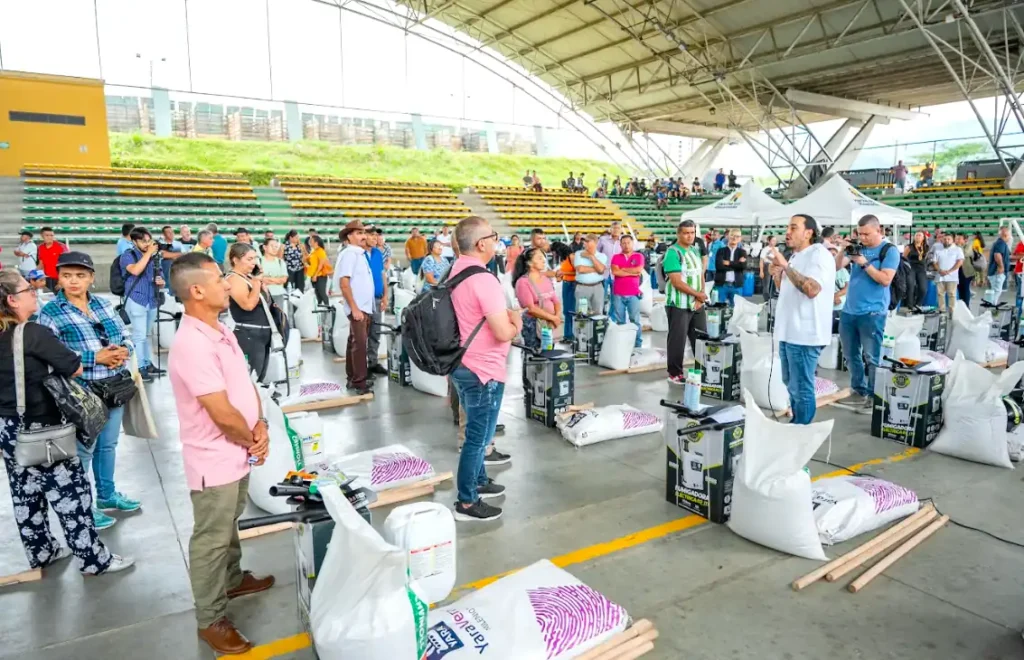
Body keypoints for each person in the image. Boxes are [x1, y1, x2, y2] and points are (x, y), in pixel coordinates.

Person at [168, 252, 275, 654]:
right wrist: (252, 438)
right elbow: (220, 411)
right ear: (196, 290)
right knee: (211, 538)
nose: (227, 284)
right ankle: (210, 619)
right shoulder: (192, 344)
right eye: (218, 280)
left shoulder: (220, 330)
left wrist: (259, 423)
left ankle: (232, 579)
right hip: (213, 458)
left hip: (237, 450)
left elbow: (244, 386)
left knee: (229, 521)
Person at [0, 269, 135, 576]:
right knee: (72, 494)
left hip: (8, 427)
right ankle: (93, 560)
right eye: (27, 290)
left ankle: (42, 551)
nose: (33, 293)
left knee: (25, 492)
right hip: (42, 427)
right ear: (12, 300)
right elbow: (73, 366)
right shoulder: (32, 333)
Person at [38, 251, 143, 528]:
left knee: (108, 445)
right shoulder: (50, 312)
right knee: (85, 450)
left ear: (91, 278)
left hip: (113, 387)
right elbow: (49, 354)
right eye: (67, 276)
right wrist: (95, 358)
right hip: (81, 392)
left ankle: (107, 496)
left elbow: (125, 335)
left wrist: (122, 351)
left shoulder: (104, 304)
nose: (74, 281)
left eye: (80, 275)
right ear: (59, 279)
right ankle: (83, 507)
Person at [449, 216, 520, 522]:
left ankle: (478, 480)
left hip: (462, 363)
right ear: (481, 244)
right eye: (493, 236)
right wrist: (516, 322)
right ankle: (467, 501)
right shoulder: (484, 279)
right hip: (483, 369)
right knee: (479, 437)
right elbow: (503, 332)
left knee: (476, 433)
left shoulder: (456, 270)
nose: (496, 241)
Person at [768, 215, 835, 424]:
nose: (787, 232)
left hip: (805, 334)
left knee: (801, 387)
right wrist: (777, 273)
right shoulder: (796, 256)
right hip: (789, 331)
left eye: (793, 228)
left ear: (808, 233)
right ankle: (798, 422)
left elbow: (811, 289)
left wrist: (785, 266)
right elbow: (786, 289)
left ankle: (802, 429)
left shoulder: (819, 255)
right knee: (790, 382)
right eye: (787, 227)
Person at [833, 215, 901, 413]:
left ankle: (873, 395)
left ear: (879, 231)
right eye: (860, 234)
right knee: (850, 354)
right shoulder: (858, 247)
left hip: (873, 312)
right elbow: (836, 266)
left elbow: (885, 279)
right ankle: (858, 388)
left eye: (867, 234)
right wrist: (844, 250)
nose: (862, 238)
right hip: (849, 310)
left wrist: (863, 262)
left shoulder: (889, 251)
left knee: (872, 357)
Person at [664, 220, 709, 385]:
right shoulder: (673, 253)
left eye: (692, 233)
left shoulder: (695, 251)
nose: (690, 236)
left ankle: (702, 371)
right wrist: (698, 295)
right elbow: (677, 282)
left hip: (696, 303)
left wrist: (700, 296)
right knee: (678, 340)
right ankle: (674, 373)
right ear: (679, 234)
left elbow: (700, 274)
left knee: (701, 338)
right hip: (679, 304)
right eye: (686, 233)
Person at [335, 220, 375, 395]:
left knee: (354, 342)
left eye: (363, 233)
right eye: (359, 233)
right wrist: (355, 308)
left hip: (364, 306)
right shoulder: (350, 254)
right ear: (349, 236)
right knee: (359, 344)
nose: (363, 236)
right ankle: (360, 382)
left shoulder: (359, 254)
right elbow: (344, 283)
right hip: (358, 307)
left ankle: (352, 378)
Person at [119, 227, 164, 378]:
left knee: (148, 335)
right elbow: (136, 270)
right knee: (139, 335)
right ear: (134, 241)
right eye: (143, 241)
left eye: (149, 241)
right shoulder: (128, 255)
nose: (147, 244)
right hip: (136, 298)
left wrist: (160, 282)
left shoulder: (154, 257)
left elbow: (160, 276)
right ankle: (139, 367)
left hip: (152, 299)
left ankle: (148, 362)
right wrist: (148, 253)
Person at [226, 243, 274, 383]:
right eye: (249, 259)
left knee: (260, 376)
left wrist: (259, 282)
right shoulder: (234, 279)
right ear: (236, 260)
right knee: (252, 376)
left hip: (262, 332)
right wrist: (257, 282)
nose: (254, 262)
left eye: (255, 258)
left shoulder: (249, 277)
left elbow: (266, 300)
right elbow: (248, 305)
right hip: (249, 333)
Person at [514, 247, 563, 355]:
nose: (544, 261)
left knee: (549, 353)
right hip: (533, 324)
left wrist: (557, 316)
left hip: (549, 324)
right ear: (529, 263)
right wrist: (553, 318)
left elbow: (555, 300)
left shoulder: (546, 279)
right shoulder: (523, 282)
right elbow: (531, 308)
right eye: (539, 258)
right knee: (535, 355)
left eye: (544, 258)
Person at [610, 234, 646, 348]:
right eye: (624, 243)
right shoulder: (616, 257)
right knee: (620, 321)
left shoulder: (639, 256)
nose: (626, 245)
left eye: (628, 243)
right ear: (620, 244)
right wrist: (632, 272)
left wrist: (623, 269)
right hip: (618, 293)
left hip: (633, 293)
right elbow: (615, 272)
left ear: (632, 243)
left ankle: (637, 344)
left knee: (635, 320)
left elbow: (638, 270)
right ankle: (623, 344)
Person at [365, 229, 389, 377]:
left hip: (377, 298)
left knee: (375, 332)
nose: (375, 238)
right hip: (364, 300)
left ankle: (372, 363)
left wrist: (386, 295)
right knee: (362, 334)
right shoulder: (359, 254)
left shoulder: (377, 253)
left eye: (376, 235)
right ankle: (362, 367)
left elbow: (382, 275)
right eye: (372, 235)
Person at [574, 234, 609, 314]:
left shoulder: (602, 256)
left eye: (587, 241)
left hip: (598, 287)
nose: (584, 243)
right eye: (584, 241)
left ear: (595, 243)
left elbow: (601, 270)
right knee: (582, 314)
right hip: (582, 287)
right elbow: (581, 269)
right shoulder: (578, 253)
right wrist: (597, 269)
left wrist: (591, 257)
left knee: (598, 314)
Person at [713, 229, 746, 306]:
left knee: (736, 309)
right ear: (728, 236)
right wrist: (737, 264)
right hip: (722, 285)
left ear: (740, 238)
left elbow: (743, 266)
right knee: (719, 308)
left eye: (737, 236)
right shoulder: (721, 251)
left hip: (736, 286)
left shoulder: (742, 252)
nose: (734, 238)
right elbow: (719, 266)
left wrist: (728, 263)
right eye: (732, 235)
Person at [932, 233, 963, 312]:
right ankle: (941, 310)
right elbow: (934, 262)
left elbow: (960, 262)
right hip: (940, 276)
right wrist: (940, 270)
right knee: (940, 294)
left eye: (949, 239)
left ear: (953, 240)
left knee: (952, 294)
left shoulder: (957, 249)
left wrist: (949, 271)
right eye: (945, 239)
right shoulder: (938, 249)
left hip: (952, 276)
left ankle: (952, 311)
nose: (946, 241)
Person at [260, 237, 289, 312]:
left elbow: (283, 280)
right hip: (263, 294)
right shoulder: (259, 261)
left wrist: (267, 279)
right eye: (272, 246)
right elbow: (259, 279)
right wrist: (277, 280)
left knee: (278, 316)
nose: (274, 248)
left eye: (276, 246)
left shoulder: (280, 262)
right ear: (265, 247)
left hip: (278, 294)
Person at [597, 222, 624, 303]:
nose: (616, 230)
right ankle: (601, 311)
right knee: (601, 298)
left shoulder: (624, 241)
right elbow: (596, 254)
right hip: (604, 273)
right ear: (610, 229)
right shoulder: (603, 239)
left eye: (618, 228)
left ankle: (613, 311)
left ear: (621, 230)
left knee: (616, 300)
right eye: (614, 228)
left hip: (617, 274)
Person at [37, 227, 67, 292]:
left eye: (51, 235)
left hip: (59, 279)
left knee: (61, 297)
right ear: (42, 236)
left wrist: (61, 281)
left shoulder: (61, 246)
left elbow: (66, 265)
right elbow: (41, 264)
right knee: (50, 297)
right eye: (47, 235)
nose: (50, 237)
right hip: (47, 278)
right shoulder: (41, 247)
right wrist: (35, 276)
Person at [557, 242, 576, 342]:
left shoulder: (572, 257)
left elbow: (577, 272)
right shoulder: (563, 259)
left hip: (572, 284)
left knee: (571, 310)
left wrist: (564, 273)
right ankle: (567, 335)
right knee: (566, 311)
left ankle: (571, 335)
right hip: (565, 283)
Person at [904, 231, 929, 307]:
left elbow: (926, 258)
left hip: (921, 269)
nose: (918, 236)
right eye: (916, 235)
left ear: (923, 238)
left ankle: (918, 304)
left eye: (920, 235)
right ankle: (910, 305)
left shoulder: (926, 247)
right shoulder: (909, 247)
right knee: (910, 286)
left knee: (923, 289)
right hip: (911, 267)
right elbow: (903, 258)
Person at [305, 235, 331, 307]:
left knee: (322, 293)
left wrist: (316, 275)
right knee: (317, 294)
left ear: (316, 242)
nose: (310, 242)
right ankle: (320, 308)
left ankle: (328, 308)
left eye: (311, 241)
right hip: (313, 275)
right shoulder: (313, 252)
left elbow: (321, 264)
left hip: (320, 275)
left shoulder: (320, 251)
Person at [989, 225, 1011, 296]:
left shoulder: (1001, 243)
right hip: (997, 273)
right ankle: (992, 302)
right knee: (996, 292)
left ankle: (992, 302)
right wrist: (1001, 267)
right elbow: (997, 255)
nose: (1010, 237)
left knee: (996, 291)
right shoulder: (1001, 243)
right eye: (1009, 235)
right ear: (1005, 235)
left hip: (996, 272)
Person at [955, 233, 975, 307]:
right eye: (957, 238)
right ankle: (962, 306)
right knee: (959, 289)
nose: (957, 240)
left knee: (965, 288)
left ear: (965, 240)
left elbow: (965, 254)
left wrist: (959, 246)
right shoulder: (955, 246)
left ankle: (966, 305)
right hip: (957, 271)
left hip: (966, 271)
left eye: (959, 239)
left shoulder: (969, 245)